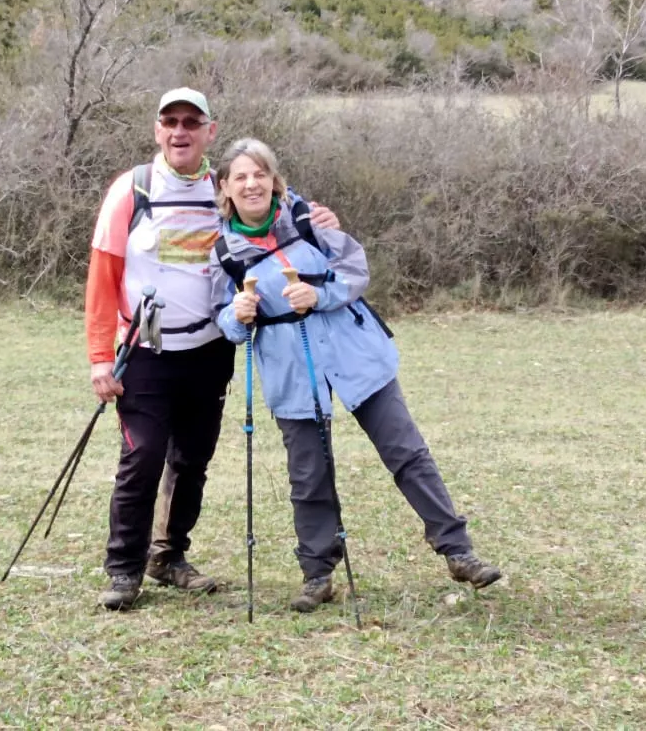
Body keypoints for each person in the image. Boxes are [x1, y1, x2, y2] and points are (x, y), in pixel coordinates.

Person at [210, 138, 503, 612]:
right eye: (240, 177)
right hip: (290, 369)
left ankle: (458, 551)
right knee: (308, 475)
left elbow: (354, 270)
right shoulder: (224, 251)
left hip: (355, 354)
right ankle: (317, 573)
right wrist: (236, 315)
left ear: (273, 180)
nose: (251, 184)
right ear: (225, 187)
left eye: (260, 174)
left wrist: (319, 296)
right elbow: (222, 320)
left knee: (406, 451)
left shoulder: (308, 220)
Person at [81, 87, 343, 611]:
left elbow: (277, 211)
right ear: (157, 129)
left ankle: (168, 555)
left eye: (191, 122)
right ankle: (124, 569)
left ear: (209, 131)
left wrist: (323, 219)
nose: (180, 131)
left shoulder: (221, 187)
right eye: (170, 121)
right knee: (143, 456)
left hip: (210, 348)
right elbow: (103, 274)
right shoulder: (131, 190)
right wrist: (99, 358)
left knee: (192, 459)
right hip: (147, 349)